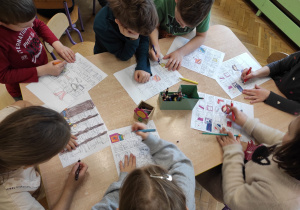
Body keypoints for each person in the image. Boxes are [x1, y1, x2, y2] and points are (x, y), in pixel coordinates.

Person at [196, 105, 300, 209]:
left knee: (197, 161)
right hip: (248, 168)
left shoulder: (279, 199)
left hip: (233, 189)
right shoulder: (292, 151)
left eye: (288, 132)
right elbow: (277, 138)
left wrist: (233, 152)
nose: (283, 135)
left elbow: (233, 197)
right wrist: (247, 123)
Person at [0, 103, 88, 210]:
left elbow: (23, 103)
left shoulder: (6, 121)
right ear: (30, 164)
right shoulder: (14, 200)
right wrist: (70, 187)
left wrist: (57, 131)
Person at [92, 122, 195, 210]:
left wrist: (124, 178)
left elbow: (105, 205)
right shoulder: (183, 199)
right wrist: (151, 139)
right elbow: (181, 163)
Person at [0, 0, 76, 101]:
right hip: (22, 87)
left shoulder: (21, 19)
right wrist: (43, 70)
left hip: (43, 71)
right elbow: (3, 76)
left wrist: (57, 44)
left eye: (32, 20)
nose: (31, 26)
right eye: (25, 26)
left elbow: (38, 24)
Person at [93, 0, 158, 83]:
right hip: (107, 57)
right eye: (136, 33)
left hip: (128, 51)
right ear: (119, 22)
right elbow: (124, 56)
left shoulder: (139, 18)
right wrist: (133, 39)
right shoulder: (102, 26)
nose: (139, 35)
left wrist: (143, 65)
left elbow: (144, 39)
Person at [149, 0, 214, 71]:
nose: (183, 27)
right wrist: (155, 45)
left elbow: (201, 36)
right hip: (161, 37)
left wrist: (181, 53)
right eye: (179, 20)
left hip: (179, 39)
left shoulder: (203, 10)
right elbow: (154, 27)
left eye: (188, 26)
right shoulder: (161, 2)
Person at [241, 51, 300, 115]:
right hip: (272, 85)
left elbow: (297, 108)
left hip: (284, 107)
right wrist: (256, 73)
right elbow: (280, 65)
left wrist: (268, 95)